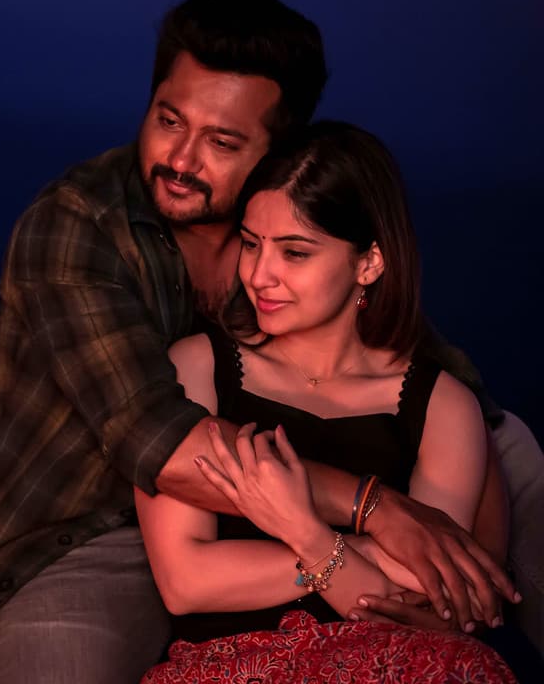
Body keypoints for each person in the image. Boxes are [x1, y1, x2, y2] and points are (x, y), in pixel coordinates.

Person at [0, 0, 533, 683]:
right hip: (86, 531)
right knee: (62, 660)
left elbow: (435, 373)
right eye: (169, 120)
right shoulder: (77, 227)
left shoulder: (297, 228)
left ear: (281, 152)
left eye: (222, 141)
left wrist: (470, 565)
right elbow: (156, 439)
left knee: (512, 448)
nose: (182, 159)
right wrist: (373, 511)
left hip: (255, 532)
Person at [137, 120, 516, 682]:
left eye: (294, 253)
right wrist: (370, 551)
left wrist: (308, 534)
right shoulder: (197, 367)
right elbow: (187, 583)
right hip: (231, 665)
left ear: (369, 262)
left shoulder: (442, 403)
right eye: (250, 244)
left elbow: (424, 604)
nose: (258, 275)